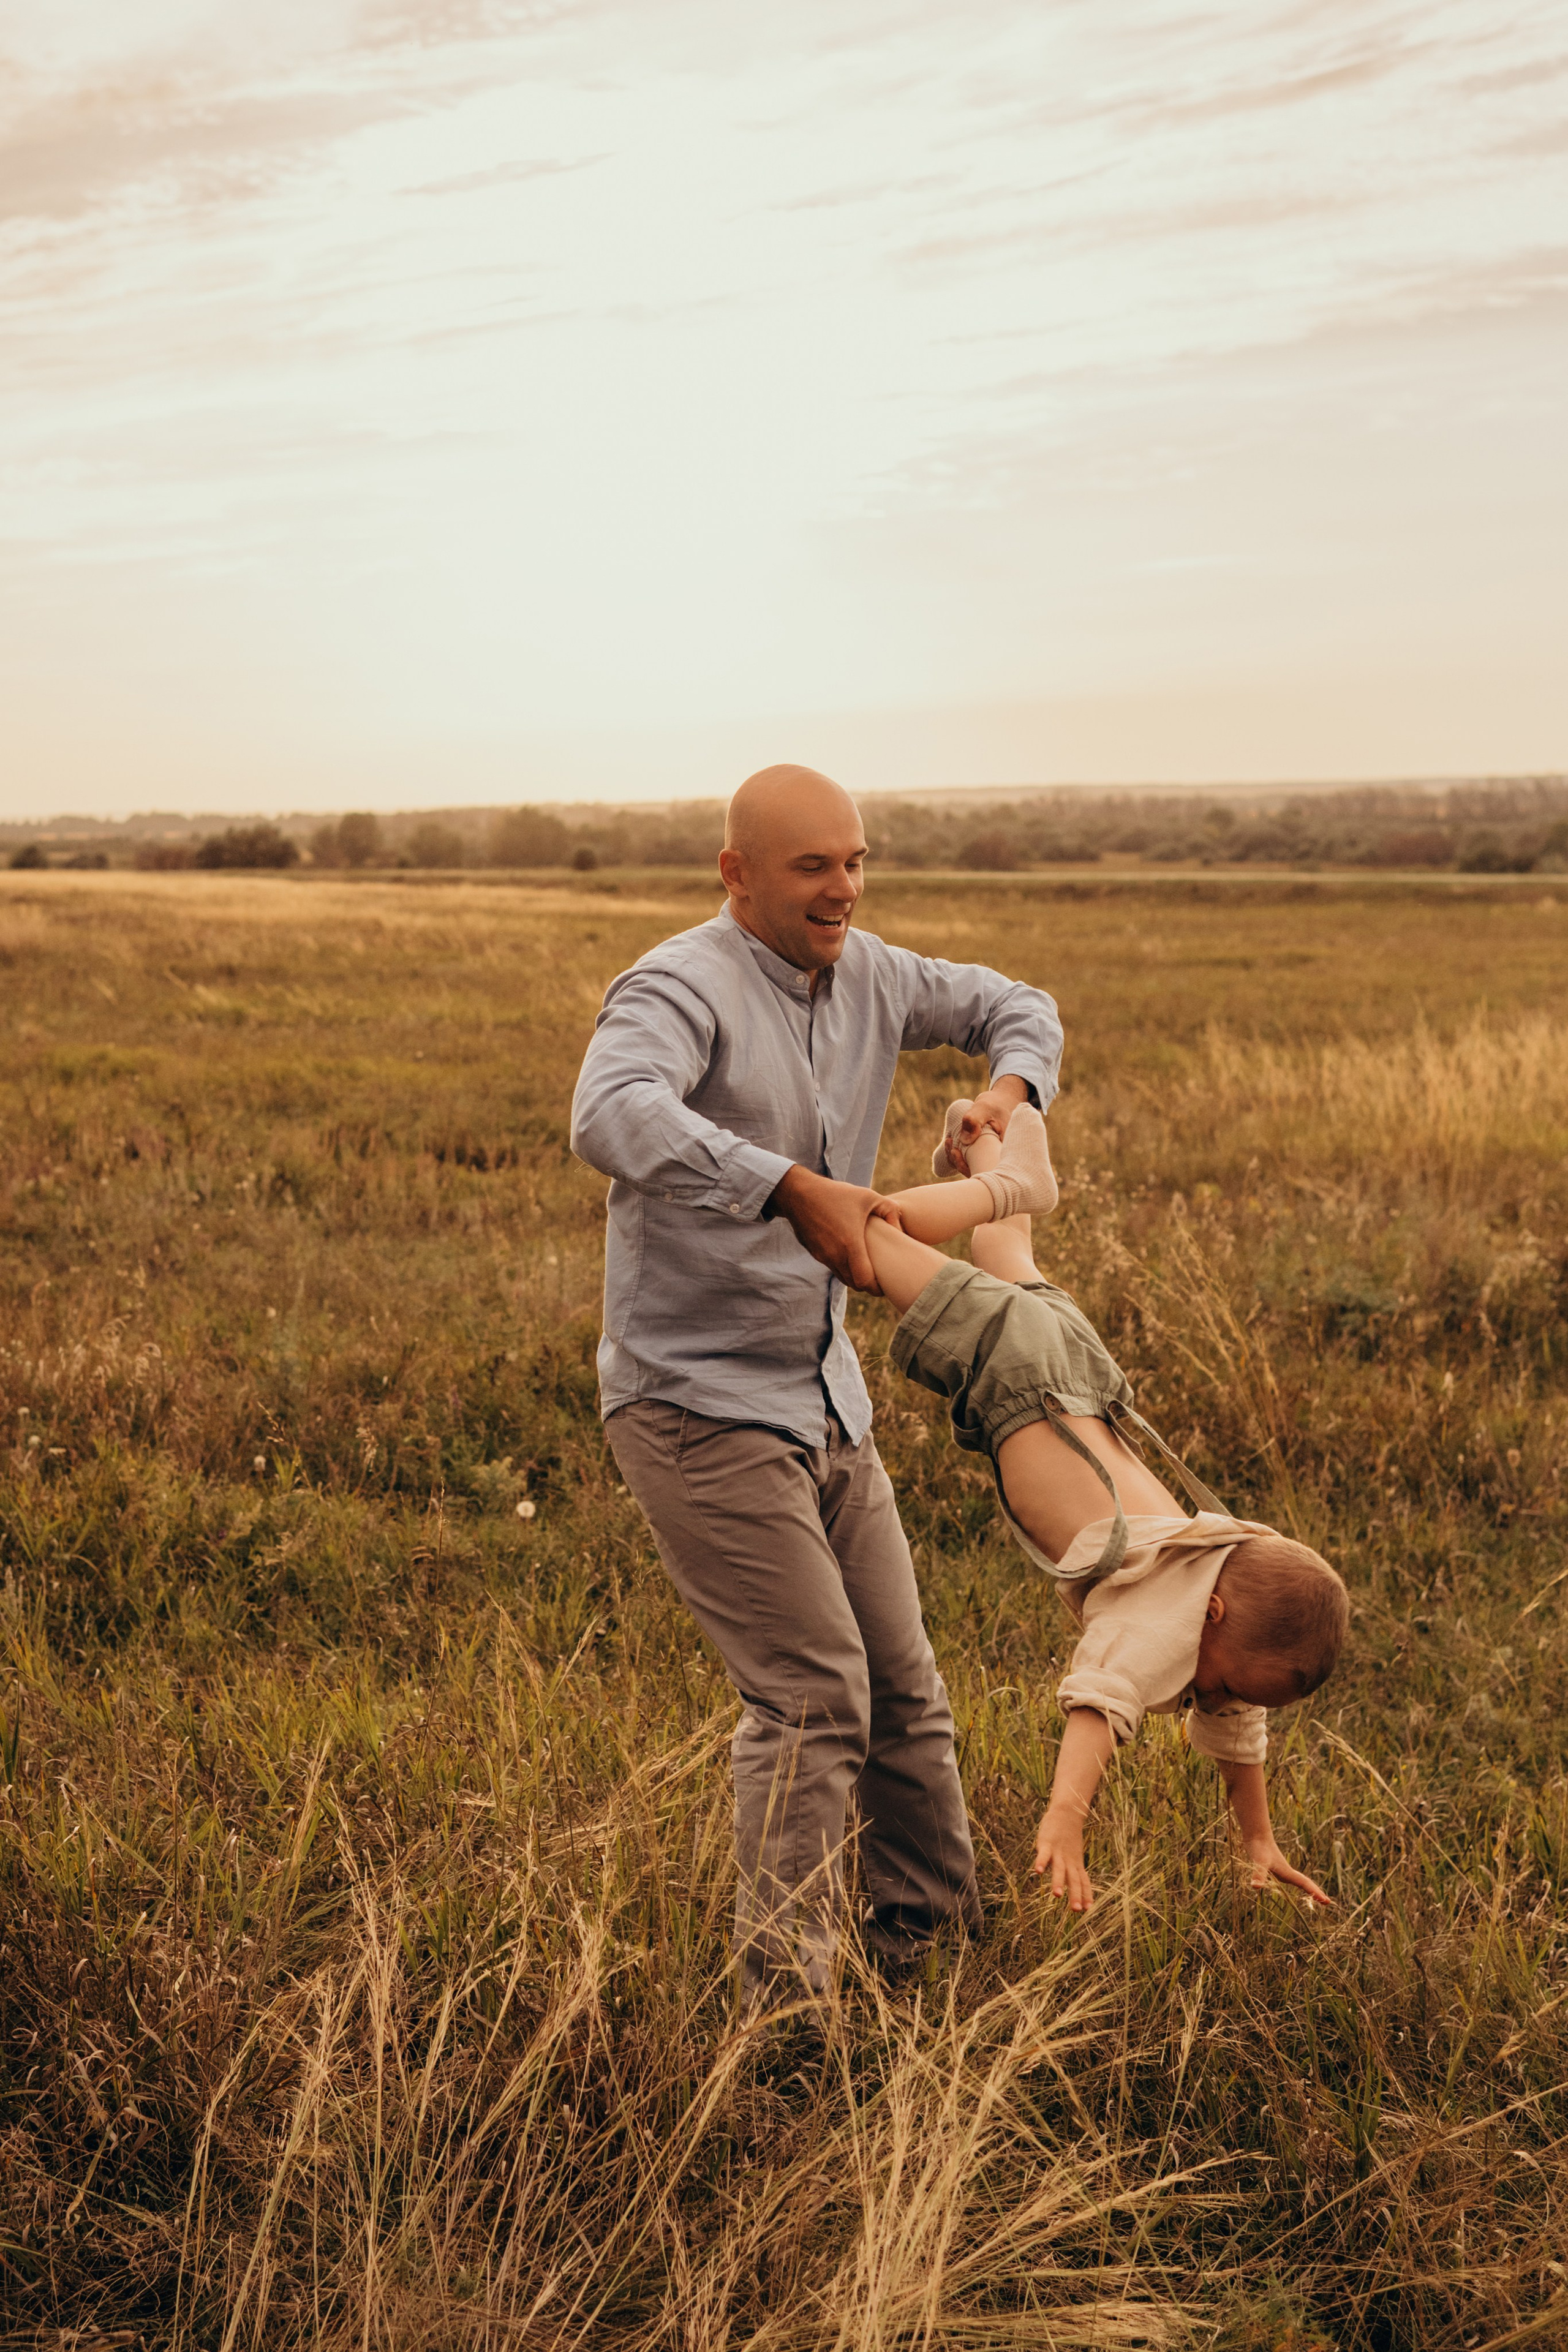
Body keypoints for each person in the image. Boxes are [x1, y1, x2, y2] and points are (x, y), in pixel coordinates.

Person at [570, 764, 1063, 2010]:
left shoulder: (877, 976)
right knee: (810, 1696)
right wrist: (786, 1185)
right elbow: (609, 1113)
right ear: (736, 876)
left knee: (902, 1690)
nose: (841, 886)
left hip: (824, 1393)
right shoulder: (679, 985)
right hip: (692, 1400)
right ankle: (784, 2023)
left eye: (853, 861)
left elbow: (1017, 1004)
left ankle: (924, 1962)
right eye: (811, 866)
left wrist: (998, 1098)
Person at [858, 1100, 1348, 1915]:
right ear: (1213, 1614)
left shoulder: (1215, 1566)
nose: (1215, 1699)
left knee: (1005, 1243)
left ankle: (992, 1156)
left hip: (1077, 1373)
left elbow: (1237, 1732)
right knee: (864, 1235)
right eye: (1222, 1682)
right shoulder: (1168, 1618)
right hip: (1018, 1373)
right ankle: (995, 1180)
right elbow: (1100, 1707)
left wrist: (1257, 1838)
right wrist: (1065, 1820)